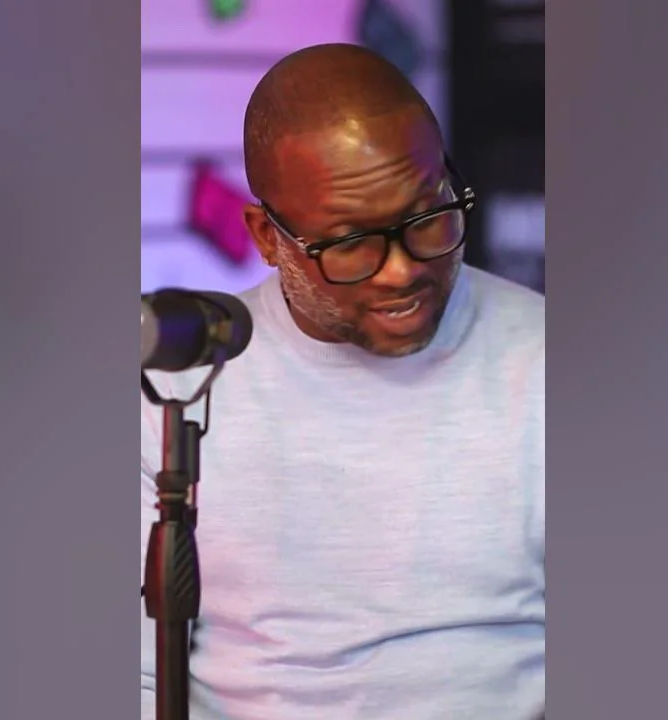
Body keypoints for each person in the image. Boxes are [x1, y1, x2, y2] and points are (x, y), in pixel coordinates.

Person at [141, 44, 545, 719]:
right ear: (266, 237)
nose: (403, 271)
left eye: (428, 218)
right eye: (352, 243)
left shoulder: (547, 360)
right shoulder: (179, 388)